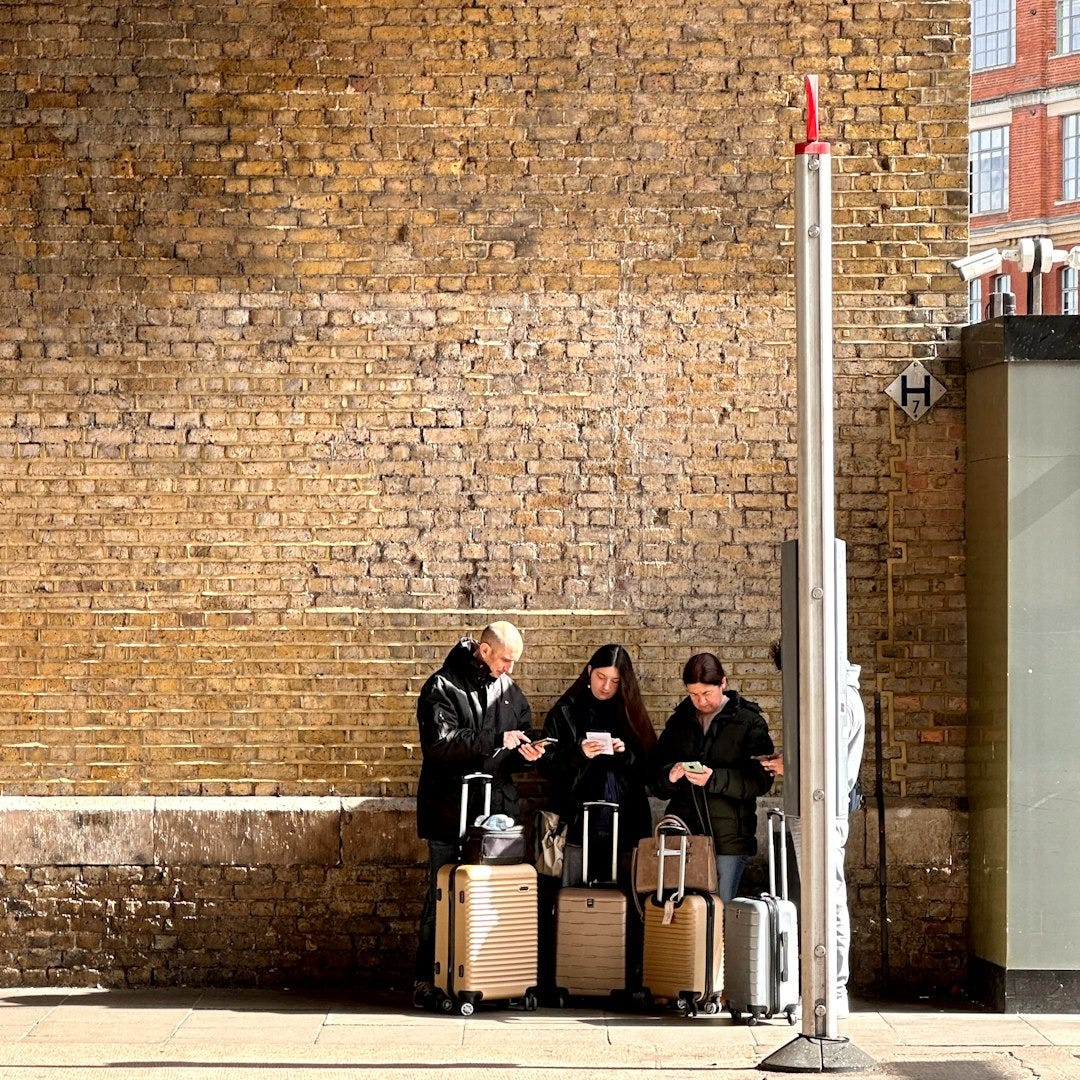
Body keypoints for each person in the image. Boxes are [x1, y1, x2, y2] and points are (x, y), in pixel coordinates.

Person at [412, 621, 546, 1009]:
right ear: (484, 651)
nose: (510, 668)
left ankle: (489, 979)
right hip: (449, 809)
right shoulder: (441, 687)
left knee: (493, 899)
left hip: (496, 813)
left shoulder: (510, 692)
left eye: (514, 662)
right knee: (441, 897)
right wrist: (496, 739)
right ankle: (429, 980)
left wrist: (528, 753)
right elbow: (440, 745)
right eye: (505, 660)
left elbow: (516, 744)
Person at [764, 640, 866, 1018]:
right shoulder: (831, 695)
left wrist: (787, 766)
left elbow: (826, 763)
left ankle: (833, 990)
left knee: (827, 899)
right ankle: (823, 988)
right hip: (811, 809)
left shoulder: (837, 700)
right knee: (820, 897)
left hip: (822, 812)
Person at [653, 652, 775, 902]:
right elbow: (654, 780)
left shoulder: (749, 721)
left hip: (729, 840)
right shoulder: (679, 722)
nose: (701, 701)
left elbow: (762, 779)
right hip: (683, 835)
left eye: (706, 693)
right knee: (683, 912)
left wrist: (713, 779)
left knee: (720, 911)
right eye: (693, 694)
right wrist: (670, 775)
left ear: (723, 683)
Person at [540, 643, 657, 887]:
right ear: (589, 671)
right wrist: (578, 753)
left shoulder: (630, 712)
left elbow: (651, 772)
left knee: (622, 896)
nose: (606, 687)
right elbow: (545, 765)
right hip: (575, 822)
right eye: (601, 677)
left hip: (626, 822)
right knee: (574, 893)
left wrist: (624, 754)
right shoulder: (565, 711)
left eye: (615, 681)